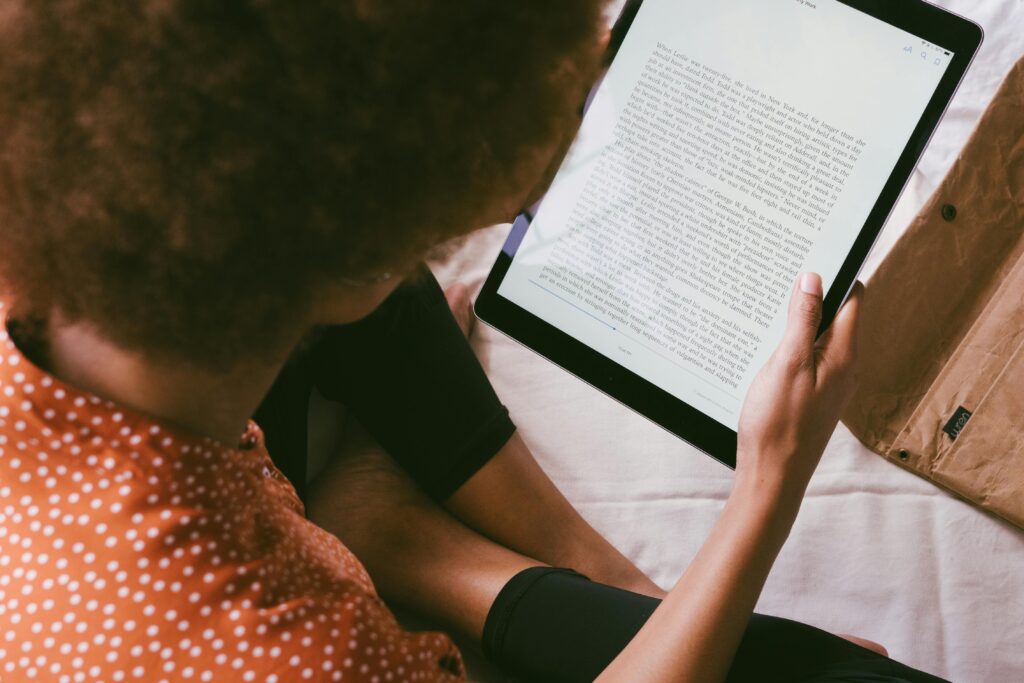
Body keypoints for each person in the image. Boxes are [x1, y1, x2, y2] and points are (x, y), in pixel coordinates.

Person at [0, 2, 947, 681]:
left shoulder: (96, 207)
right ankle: (420, 549)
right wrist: (767, 487)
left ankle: (590, 579)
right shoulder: (309, 648)